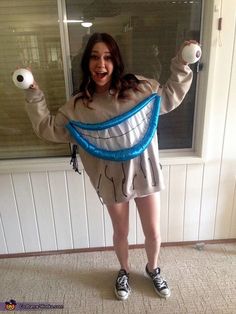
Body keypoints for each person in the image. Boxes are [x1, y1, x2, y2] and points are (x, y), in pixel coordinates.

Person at [23, 32, 195, 301]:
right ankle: (124, 270)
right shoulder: (79, 106)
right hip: (111, 179)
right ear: (86, 62)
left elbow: (170, 95)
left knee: (153, 230)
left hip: (145, 171)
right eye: (94, 57)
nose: (100, 64)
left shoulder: (141, 88)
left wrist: (182, 63)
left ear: (115, 61)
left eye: (107, 57)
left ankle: (153, 268)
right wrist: (33, 94)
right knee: (121, 231)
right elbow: (49, 128)